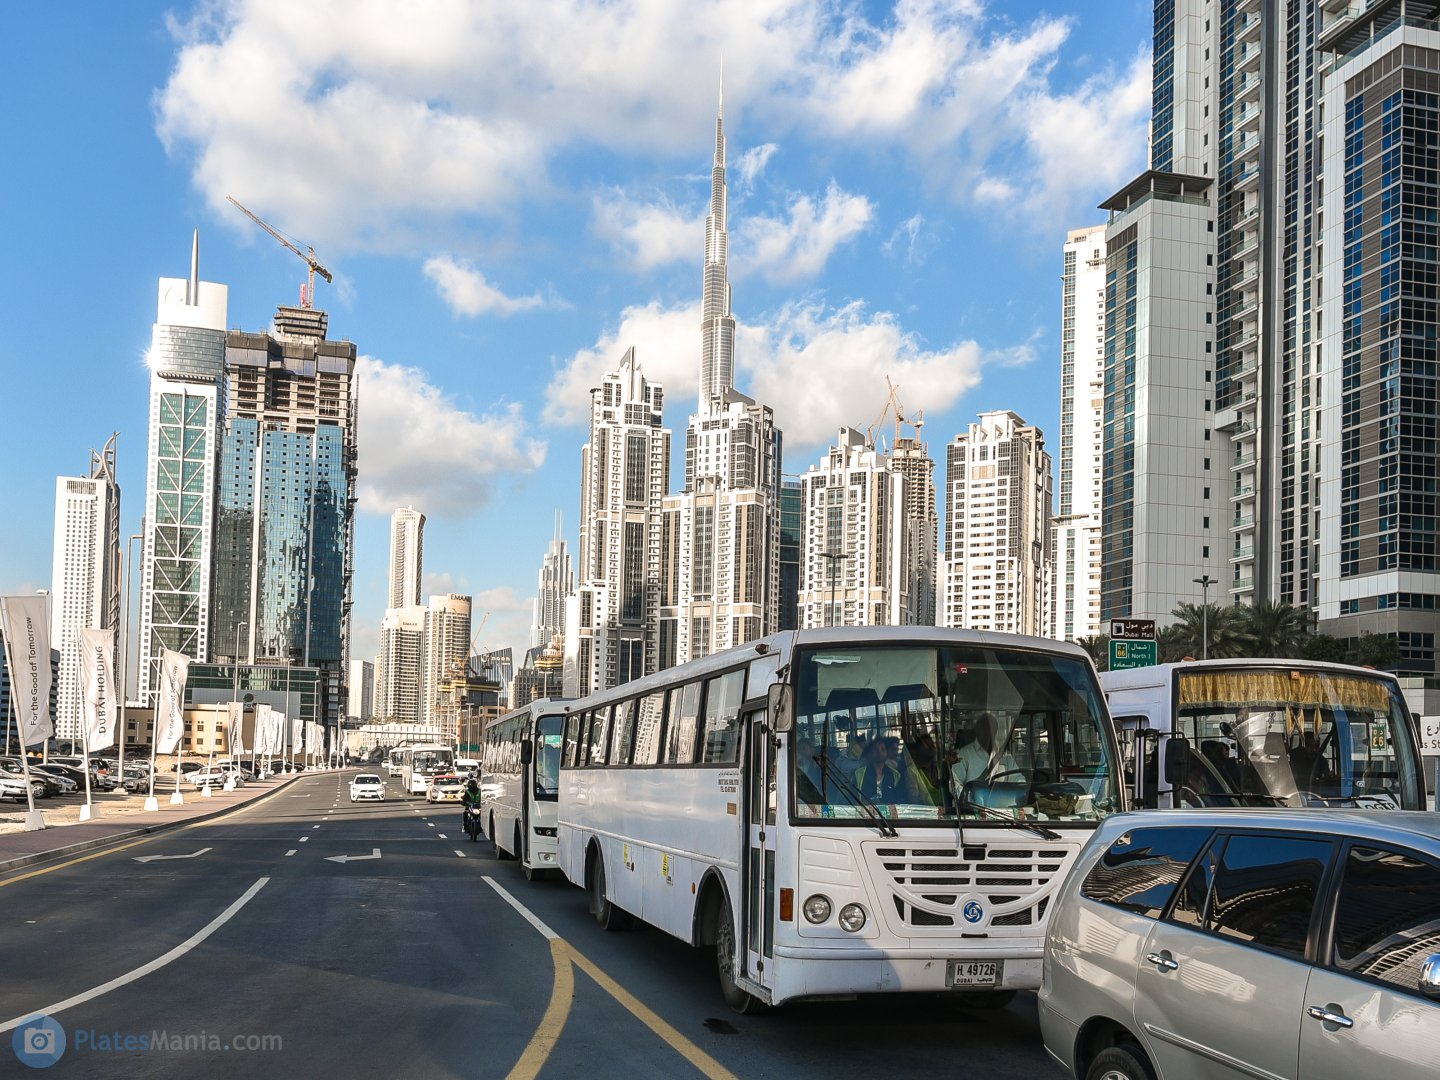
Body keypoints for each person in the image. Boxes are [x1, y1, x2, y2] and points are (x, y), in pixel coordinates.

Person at [950, 713, 1020, 794]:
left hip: (1003, 800)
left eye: (991, 729)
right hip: (973, 801)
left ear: (996, 731)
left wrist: (1021, 792)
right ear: (977, 731)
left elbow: (1017, 778)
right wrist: (969, 798)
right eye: (985, 729)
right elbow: (955, 784)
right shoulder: (963, 754)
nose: (988, 732)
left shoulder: (1005, 756)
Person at [852, 738, 903, 803]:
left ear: (886, 753)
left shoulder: (895, 775)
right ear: (870, 753)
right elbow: (852, 799)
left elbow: (900, 800)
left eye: (883, 749)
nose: (879, 752)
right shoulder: (858, 773)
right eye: (876, 749)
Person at [795, 737, 825, 803]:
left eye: (804, 748)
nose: (802, 752)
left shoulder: (822, 757)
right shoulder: (802, 763)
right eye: (800, 750)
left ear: (811, 747)